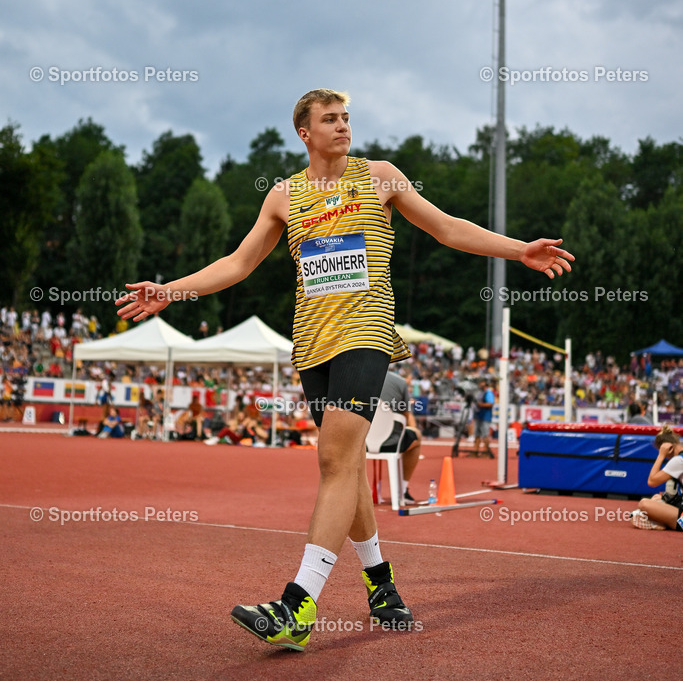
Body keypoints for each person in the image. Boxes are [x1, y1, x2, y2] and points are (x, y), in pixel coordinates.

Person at [116, 87, 574, 651]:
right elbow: (238, 263)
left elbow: (448, 227)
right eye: (329, 119)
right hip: (312, 345)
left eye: (346, 117)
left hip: (366, 334)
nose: (342, 126)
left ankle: (296, 606)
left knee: (333, 459)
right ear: (304, 133)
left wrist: (518, 249)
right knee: (349, 468)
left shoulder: (381, 176)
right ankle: (381, 585)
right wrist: (170, 290)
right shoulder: (283, 197)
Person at [378, 370, 422, 502]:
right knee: (416, 436)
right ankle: (403, 489)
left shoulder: (357, 379)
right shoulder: (399, 382)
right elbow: (406, 416)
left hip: (361, 441)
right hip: (391, 441)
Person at [636, 425, 683, 531]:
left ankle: (660, 522)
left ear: (669, 448)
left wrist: (661, 455)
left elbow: (651, 481)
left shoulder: (678, 461)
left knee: (644, 504)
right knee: (658, 498)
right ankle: (661, 521)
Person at [471, 380, 496, 458]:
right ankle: (475, 451)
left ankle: (486, 452)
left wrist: (480, 404)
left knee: (485, 435)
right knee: (477, 434)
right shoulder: (479, 392)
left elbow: (490, 403)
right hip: (478, 416)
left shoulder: (488, 392)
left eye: (481, 383)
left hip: (485, 416)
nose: (480, 384)